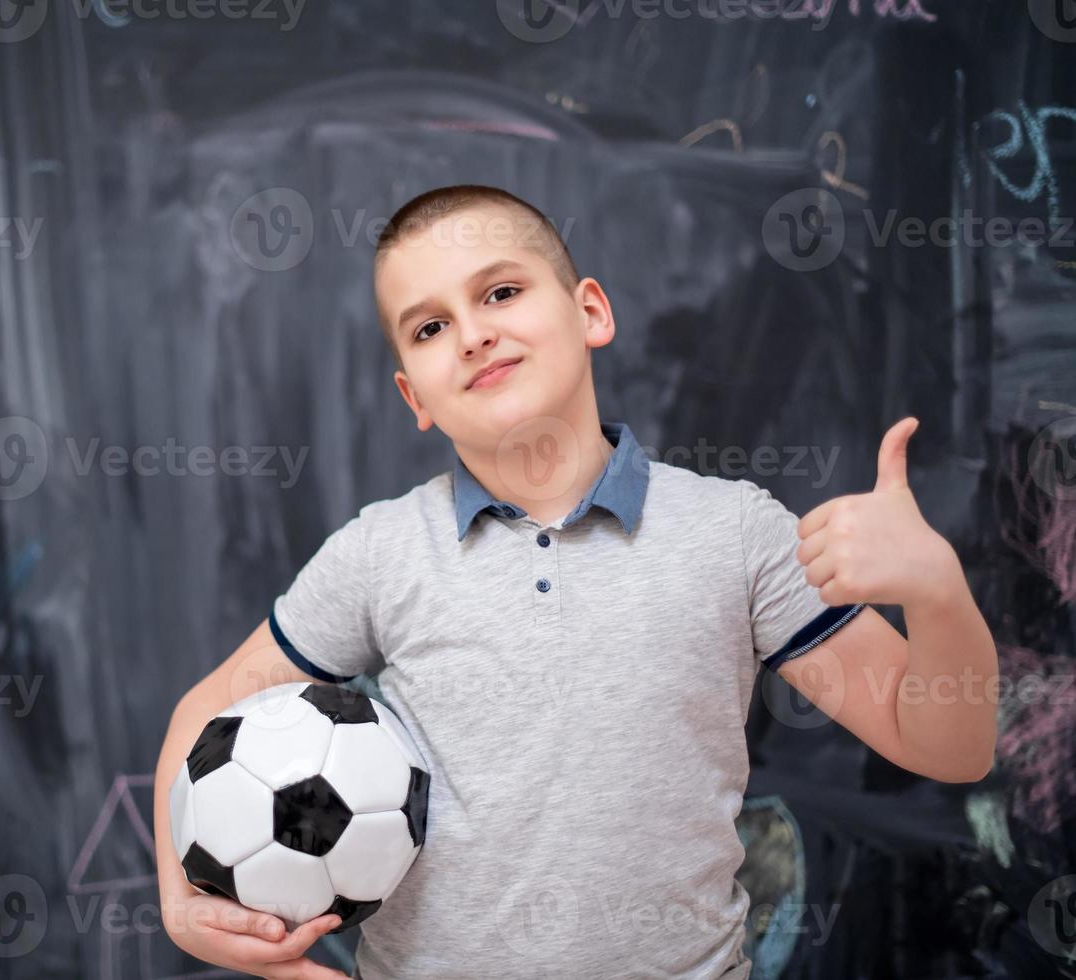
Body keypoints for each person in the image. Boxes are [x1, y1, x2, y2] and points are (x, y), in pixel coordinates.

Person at [154, 184, 999, 979]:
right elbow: (207, 708)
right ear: (415, 396)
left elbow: (946, 745)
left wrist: (936, 593)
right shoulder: (381, 552)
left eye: (500, 293)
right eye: (429, 327)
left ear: (590, 310)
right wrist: (180, 901)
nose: (474, 334)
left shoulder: (734, 532)